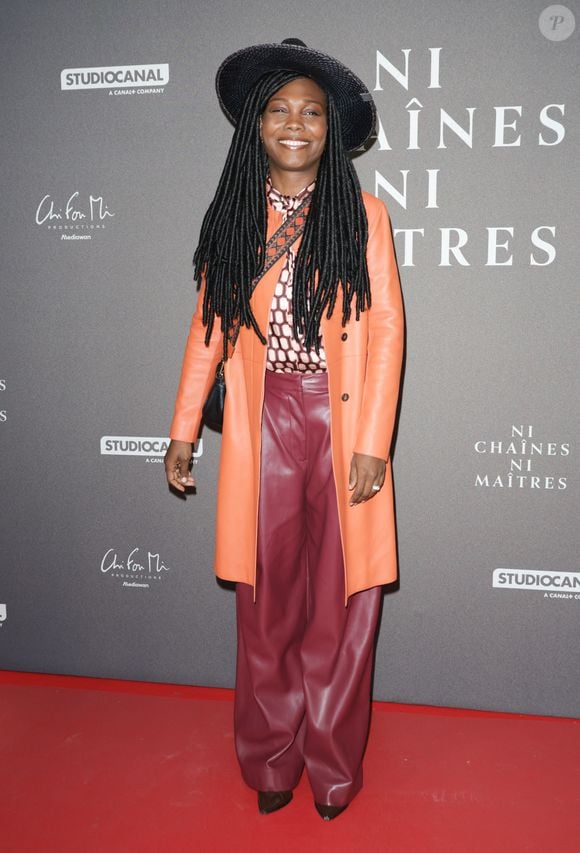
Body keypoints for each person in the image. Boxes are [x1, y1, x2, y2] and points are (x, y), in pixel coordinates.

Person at [164, 38, 404, 821]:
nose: (295, 123)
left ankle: (333, 767)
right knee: (265, 608)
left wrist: (371, 442)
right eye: (278, 109)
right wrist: (182, 430)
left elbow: (388, 333)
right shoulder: (234, 214)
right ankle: (271, 757)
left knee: (342, 609)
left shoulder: (365, 216)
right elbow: (208, 327)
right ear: (254, 125)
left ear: (331, 127)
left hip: (340, 425)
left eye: (310, 111)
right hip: (262, 424)